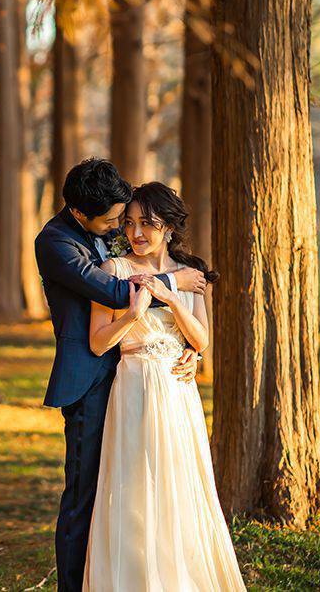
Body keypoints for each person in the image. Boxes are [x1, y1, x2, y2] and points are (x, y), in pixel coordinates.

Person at [34, 159, 207, 592]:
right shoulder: (56, 244)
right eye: (115, 220)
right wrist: (175, 281)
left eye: (126, 219)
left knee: (139, 490)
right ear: (80, 213)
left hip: (140, 378)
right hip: (92, 380)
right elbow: (116, 290)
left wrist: (185, 348)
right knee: (85, 496)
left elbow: (144, 254)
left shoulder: (106, 228)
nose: (122, 229)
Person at [85, 181, 244, 590]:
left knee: (179, 486)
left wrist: (173, 300)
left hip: (178, 392)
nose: (136, 233)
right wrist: (133, 316)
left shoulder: (189, 275)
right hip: (134, 386)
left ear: (169, 228)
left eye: (147, 224)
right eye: (131, 223)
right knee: (135, 485)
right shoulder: (113, 271)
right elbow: (99, 341)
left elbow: (202, 339)